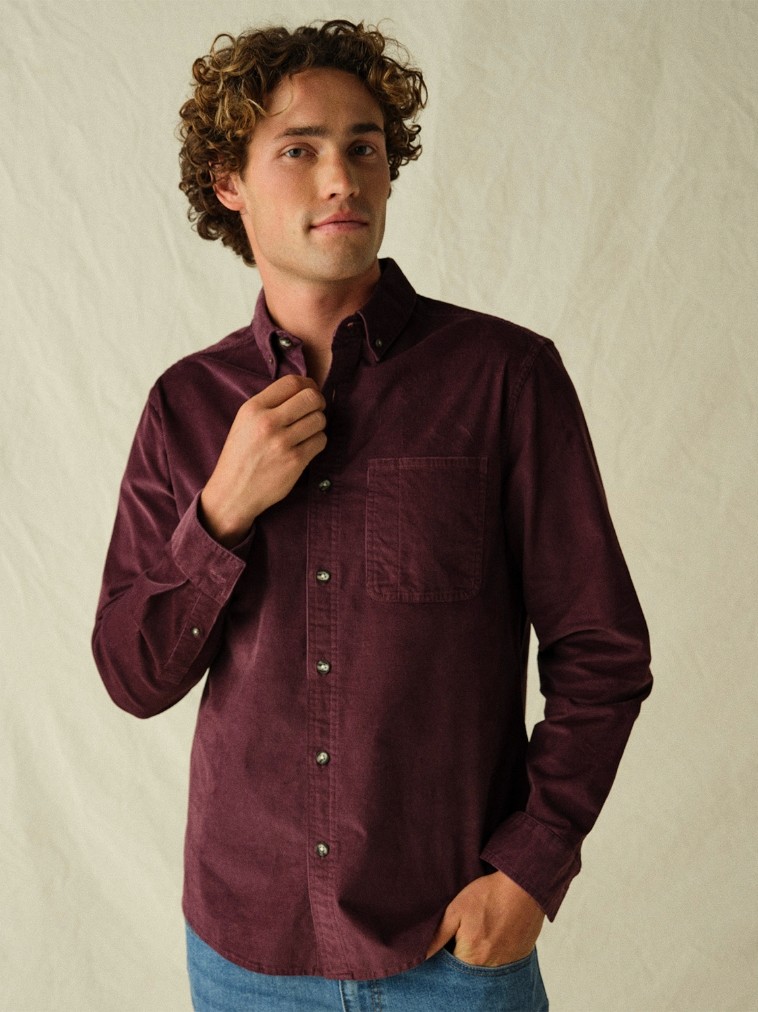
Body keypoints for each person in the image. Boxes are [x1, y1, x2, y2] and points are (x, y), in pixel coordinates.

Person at [92, 19, 652, 1012]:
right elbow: (133, 675)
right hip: (245, 954)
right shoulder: (186, 406)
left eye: (363, 146)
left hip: (453, 949)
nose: (341, 179)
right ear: (229, 182)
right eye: (298, 150)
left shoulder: (503, 379)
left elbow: (600, 648)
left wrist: (530, 866)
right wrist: (221, 511)